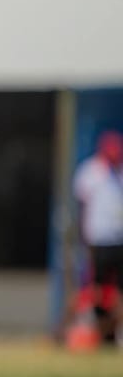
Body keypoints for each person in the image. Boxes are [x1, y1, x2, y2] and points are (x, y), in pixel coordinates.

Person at [71, 130, 123, 343]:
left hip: (119, 239)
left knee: (119, 290)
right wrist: (84, 237)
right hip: (97, 240)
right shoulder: (90, 172)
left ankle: (117, 333)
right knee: (95, 289)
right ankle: (96, 332)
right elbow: (82, 207)